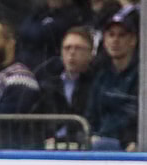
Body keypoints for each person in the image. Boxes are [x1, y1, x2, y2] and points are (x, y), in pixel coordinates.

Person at [86, 10, 139, 151]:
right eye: (111, 35)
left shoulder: (142, 76)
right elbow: (91, 115)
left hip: (131, 147)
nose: (115, 40)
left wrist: (132, 140)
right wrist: (92, 135)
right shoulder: (101, 76)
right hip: (100, 143)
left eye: (122, 35)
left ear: (133, 40)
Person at [40, 27, 96, 149]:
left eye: (78, 48)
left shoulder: (97, 84)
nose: (72, 52)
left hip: (84, 147)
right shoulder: (48, 85)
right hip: (51, 147)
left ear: (91, 53)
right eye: (67, 48)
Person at [16, 0, 85, 71]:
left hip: (46, 69)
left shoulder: (70, 16)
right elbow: (23, 29)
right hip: (22, 64)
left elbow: (38, 33)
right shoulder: (40, 12)